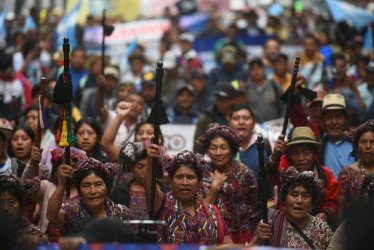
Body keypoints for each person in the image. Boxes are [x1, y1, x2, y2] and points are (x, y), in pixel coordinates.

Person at [146, 142, 233, 245]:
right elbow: (149, 186)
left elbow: (228, 245)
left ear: (199, 181)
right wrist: (151, 161)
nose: (185, 183)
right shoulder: (161, 204)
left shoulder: (213, 212)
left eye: (190, 177)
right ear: (170, 181)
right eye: (179, 177)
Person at [196, 125, 258, 243]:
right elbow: (198, 211)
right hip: (210, 232)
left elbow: (254, 200)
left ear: (231, 149)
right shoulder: (201, 173)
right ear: (208, 150)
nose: (218, 153)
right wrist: (214, 189)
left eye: (223, 147)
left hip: (240, 234)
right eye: (213, 148)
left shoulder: (244, 173)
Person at [268, 126, 339, 225]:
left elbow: (332, 201)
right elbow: (268, 178)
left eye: (306, 153)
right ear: (291, 154)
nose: (301, 158)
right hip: (284, 224)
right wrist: (274, 157)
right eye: (296, 153)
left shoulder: (326, 175)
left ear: (314, 154)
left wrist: (325, 212)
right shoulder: (284, 169)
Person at [249, 167, 333, 248]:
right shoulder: (269, 223)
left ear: (312, 201)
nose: (299, 201)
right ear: (285, 199)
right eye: (294, 195)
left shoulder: (321, 228)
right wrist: (257, 240)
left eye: (305, 196)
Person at [46, 157, 131, 235]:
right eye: (86, 186)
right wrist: (62, 184)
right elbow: (51, 216)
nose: (93, 191)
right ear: (79, 190)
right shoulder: (72, 214)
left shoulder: (121, 213)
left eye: (98, 184)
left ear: (107, 188)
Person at [22, 146, 87, 242]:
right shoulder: (47, 187)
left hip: (73, 243)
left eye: (73, 167)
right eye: (63, 168)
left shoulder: (85, 191)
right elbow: (25, 185)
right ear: (55, 172)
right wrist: (32, 162)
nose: (68, 170)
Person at [110, 141, 170, 219]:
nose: (145, 172)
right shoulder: (120, 191)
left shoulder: (167, 190)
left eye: (148, 167)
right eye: (140, 167)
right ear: (131, 167)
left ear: (157, 167)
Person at [337, 120, 374, 221]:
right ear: (357, 146)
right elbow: (340, 208)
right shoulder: (346, 173)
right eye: (363, 142)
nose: (368, 146)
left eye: (372, 142)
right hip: (354, 230)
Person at [228, 104, 271, 180]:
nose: (241, 122)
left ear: (254, 123)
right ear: (229, 123)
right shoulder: (221, 146)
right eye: (236, 118)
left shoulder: (267, 144)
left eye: (246, 118)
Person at [320, 94, 356, 178]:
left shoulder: (357, 141)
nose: (334, 122)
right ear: (322, 121)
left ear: (346, 119)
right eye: (329, 117)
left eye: (339, 117)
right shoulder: (318, 146)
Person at [0, 172, 42, 237]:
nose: (5, 208)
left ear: (20, 204)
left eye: (11, 202)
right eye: (1, 203)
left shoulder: (34, 234)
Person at [246, 58, 284, 122]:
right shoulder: (245, 88)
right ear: (249, 72)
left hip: (275, 127)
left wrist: (282, 122)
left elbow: (284, 107)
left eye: (259, 67)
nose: (256, 70)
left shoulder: (275, 86)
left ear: (264, 69)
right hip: (253, 127)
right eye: (253, 68)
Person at [0, 53, 32, 122]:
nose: (4, 74)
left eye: (6, 70)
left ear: (11, 66)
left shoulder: (23, 81)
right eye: (2, 71)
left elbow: (27, 104)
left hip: (17, 119)